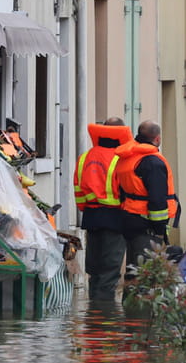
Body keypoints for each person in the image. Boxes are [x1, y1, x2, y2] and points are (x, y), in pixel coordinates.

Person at [74, 117, 133, 301]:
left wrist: (86, 208)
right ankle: (105, 320)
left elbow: (78, 188)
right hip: (114, 218)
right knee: (109, 270)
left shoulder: (85, 157)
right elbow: (125, 191)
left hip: (91, 218)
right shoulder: (120, 159)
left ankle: (93, 316)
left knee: (94, 270)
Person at [115, 120, 179, 278]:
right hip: (146, 224)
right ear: (157, 139)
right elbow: (157, 200)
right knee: (144, 272)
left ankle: (130, 300)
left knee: (133, 269)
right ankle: (138, 302)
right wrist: (159, 230)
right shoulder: (153, 162)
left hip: (129, 218)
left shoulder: (127, 158)